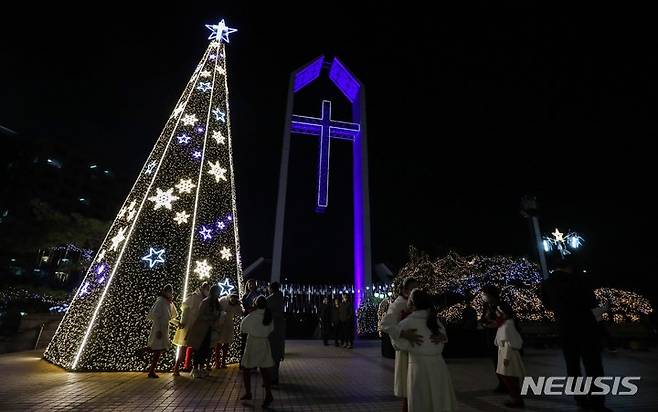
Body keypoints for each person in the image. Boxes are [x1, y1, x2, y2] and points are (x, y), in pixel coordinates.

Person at [542, 259, 609, 411]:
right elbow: (592, 303)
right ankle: (597, 401)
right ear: (570, 267)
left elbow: (547, 306)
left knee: (572, 366)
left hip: (565, 328)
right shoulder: (579, 280)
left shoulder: (547, 283)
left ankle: (580, 399)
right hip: (586, 327)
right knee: (593, 366)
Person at [390, 289, 456, 412]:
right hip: (439, 366)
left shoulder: (407, 323)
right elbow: (443, 338)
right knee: (439, 400)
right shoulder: (434, 321)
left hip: (418, 368)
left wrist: (402, 334)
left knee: (421, 401)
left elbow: (396, 344)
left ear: (412, 303)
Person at [240, 295, 275, 408]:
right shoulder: (268, 315)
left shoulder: (252, 315)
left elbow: (243, 327)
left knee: (246, 368)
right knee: (264, 370)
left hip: (252, 344)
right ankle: (268, 394)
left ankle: (248, 392)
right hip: (264, 343)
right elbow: (271, 329)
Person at [479, 285, 512, 393]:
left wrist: (496, 324)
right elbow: (483, 319)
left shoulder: (502, 305)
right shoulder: (487, 306)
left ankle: (510, 385)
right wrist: (484, 323)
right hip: (491, 336)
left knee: (505, 363)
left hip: (502, 337)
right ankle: (502, 384)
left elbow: (508, 318)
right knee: (496, 362)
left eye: (485, 294)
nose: (484, 296)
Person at [172, 282, 209, 376]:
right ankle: (176, 367)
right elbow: (185, 307)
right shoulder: (194, 296)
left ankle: (188, 366)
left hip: (197, 326)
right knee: (183, 347)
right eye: (206, 288)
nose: (207, 290)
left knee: (193, 347)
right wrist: (183, 322)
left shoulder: (204, 298)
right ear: (202, 288)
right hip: (188, 325)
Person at [186, 284, 223, 378]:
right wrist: (211, 317)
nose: (219, 294)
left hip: (210, 329)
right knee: (199, 349)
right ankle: (195, 369)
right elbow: (200, 315)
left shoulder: (216, 303)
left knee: (206, 349)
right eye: (217, 292)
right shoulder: (206, 302)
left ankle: (201, 368)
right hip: (201, 329)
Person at [142, 284, 178, 378]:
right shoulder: (161, 301)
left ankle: (144, 353)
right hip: (159, 329)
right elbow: (156, 316)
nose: (171, 293)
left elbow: (170, 316)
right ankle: (151, 371)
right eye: (169, 291)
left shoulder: (167, 302)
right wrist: (158, 330)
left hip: (164, 328)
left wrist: (177, 323)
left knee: (158, 348)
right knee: (158, 349)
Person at [494, 305, 526, 408]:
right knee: (508, 376)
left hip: (508, 353)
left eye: (499, 312)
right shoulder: (504, 324)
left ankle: (517, 399)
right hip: (504, 352)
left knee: (509, 376)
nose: (497, 314)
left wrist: (506, 357)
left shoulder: (508, 325)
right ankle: (515, 397)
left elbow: (509, 341)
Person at [213, 292, 242, 369]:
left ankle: (223, 362)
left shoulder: (236, 305)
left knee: (226, 343)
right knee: (218, 343)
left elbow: (240, 313)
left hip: (228, 324)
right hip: (220, 323)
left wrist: (239, 306)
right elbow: (216, 309)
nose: (233, 300)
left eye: (235, 299)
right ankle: (217, 362)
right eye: (233, 298)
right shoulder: (223, 300)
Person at [267, 281, 285, 385]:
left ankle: (272, 378)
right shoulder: (281, 298)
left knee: (271, 353)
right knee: (277, 353)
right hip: (280, 328)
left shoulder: (270, 299)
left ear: (271, 288)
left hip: (271, 329)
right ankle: (275, 376)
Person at [240, 279, 259, 365]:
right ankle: (243, 363)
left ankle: (253, 364)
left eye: (253, 284)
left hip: (256, 321)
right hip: (247, 320)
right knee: (245, 342)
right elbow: (244, 305)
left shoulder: (259, 295)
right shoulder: (245, 296)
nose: (251, 286)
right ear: (247, 286)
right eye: (249, 284)